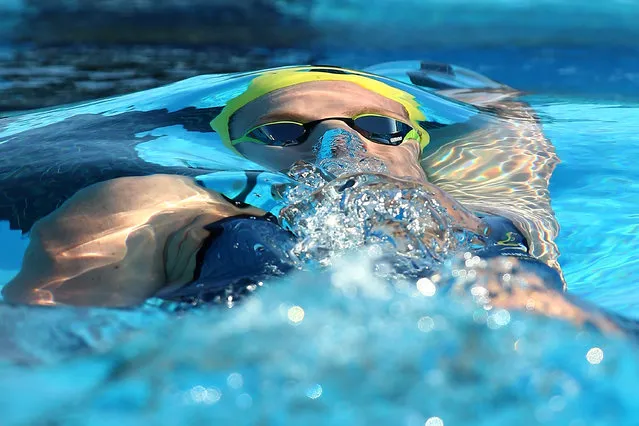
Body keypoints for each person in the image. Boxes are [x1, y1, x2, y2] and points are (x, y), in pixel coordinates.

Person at [2, 65, 632, 336]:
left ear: (416, 144)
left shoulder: (501, 213)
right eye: (284, 131)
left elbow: (512, 141)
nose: (337, 140)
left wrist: (486, 99)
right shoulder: (159, 206)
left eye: (378, 126)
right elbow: (41, 340)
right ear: (236, 155)